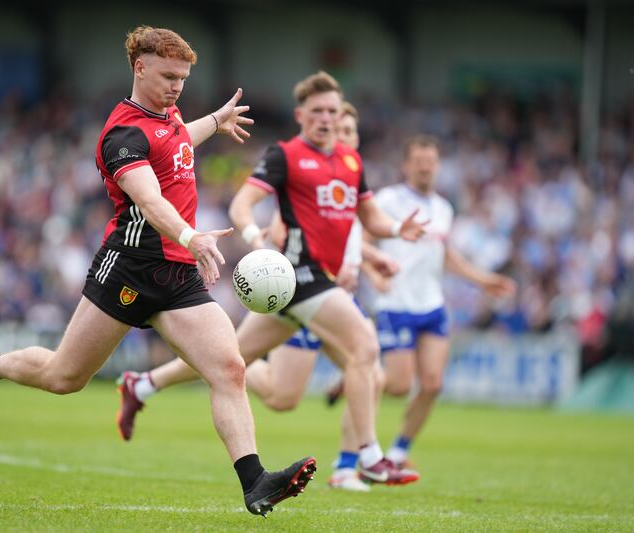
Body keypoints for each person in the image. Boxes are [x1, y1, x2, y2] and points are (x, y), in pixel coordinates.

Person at [0, 25, 316, 517]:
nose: (177, 85)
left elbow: (177, 141)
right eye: (168, 76)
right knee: (63, 376)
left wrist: (215, 120)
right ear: (139, 68)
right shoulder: (122, 134)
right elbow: (149, 198)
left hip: (177, 276)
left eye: (183, 77)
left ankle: (254, 482)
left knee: (229, 368)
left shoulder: (168, 115)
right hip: (129, 270)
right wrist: (190, 235)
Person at [116, 71, 428, 486]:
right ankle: (365, 457)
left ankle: (144, 385)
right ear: (301, 114)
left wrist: (394, 231)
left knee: (247, 371)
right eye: (317, 111)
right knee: (365, 349)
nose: (325, 118)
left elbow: (369, 217)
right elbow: (243, 204)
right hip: (301, 277)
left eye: (332, 111)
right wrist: (253, 236)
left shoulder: (351, 161)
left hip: (316, 284)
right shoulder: (286, 155)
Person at [252, 102, 410, 492]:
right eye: (339, 132)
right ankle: (364, 459)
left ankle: (347, 466)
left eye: (350, 133)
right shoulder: (309, 178)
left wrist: (370, 264)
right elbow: (285, 226)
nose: (344, 140)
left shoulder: (349, 176)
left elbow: (352, 235)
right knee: (282, 396)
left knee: (370, 370)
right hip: (309, 291)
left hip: (332, 293)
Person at [348, 134, 517, 476]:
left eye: (430, 162)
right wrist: (370, 272)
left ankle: (397, 452)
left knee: (433, 384)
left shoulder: (443, 207)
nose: (425, 168)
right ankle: (359, 376)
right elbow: (360, 240)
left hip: (432, 305)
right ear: (406, 165)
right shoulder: (389, 199)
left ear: (437, 166)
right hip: (396, 303)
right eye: (419, 162)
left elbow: (444, 255)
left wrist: (482, 279)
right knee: (397, 385)